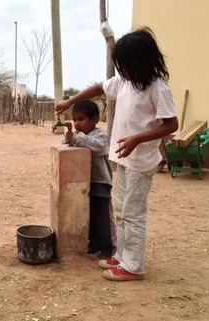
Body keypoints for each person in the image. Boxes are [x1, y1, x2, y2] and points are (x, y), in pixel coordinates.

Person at [55, 27, 179, 281]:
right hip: (122, 158)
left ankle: (134, 266)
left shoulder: (157, 89)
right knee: (121, 209)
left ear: (140, 62)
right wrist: (70, 101)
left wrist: (138, 139)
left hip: (140, 161)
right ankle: (122, 255)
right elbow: (98, 88)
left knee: (133, 213)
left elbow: (171, 124)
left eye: (125, 64)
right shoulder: (124, 82)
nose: (121, 70)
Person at [64, 100, 115, 259]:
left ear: (94, 120)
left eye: (81, 119)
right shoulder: (78, 136)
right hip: (84, 183)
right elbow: (67, 146)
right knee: (89, 215)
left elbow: (99, 147)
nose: (77, 123)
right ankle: (93, 244)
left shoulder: (100, 135)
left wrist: (76, 138)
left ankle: (108, 248)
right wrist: (69, 138)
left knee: (103, 217)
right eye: (75, 120)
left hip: (100, 182)